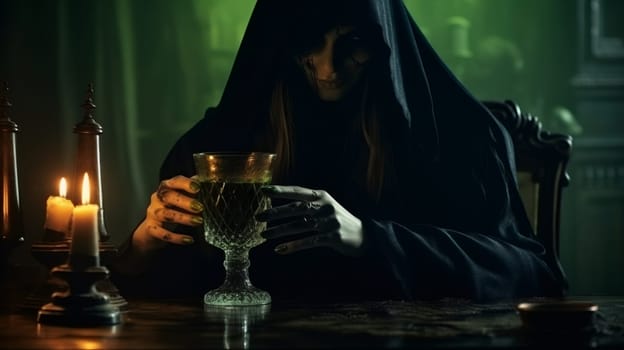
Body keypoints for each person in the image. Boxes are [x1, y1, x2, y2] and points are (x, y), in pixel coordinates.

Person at [112, 0, 566, 302]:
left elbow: (532, 275)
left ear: (381, 41)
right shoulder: (221, 143)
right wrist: (143, 244)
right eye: (311, 41)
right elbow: (164, 290)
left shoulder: (462, 137)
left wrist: (369, 239)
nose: (329, 68)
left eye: (353, 43)